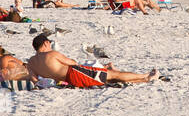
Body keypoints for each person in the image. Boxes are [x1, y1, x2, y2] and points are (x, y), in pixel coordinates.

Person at [26, 33, 159, 87]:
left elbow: (35, 81)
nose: (49, 45)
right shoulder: (51, 54)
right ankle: (146, 76)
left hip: (69, 80)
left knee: (109, 78)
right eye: (48, 43)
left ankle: (142, 79)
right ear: (44, 44)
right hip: (75, 73)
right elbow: (72, 63)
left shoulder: (31, 62)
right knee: (112, 76)